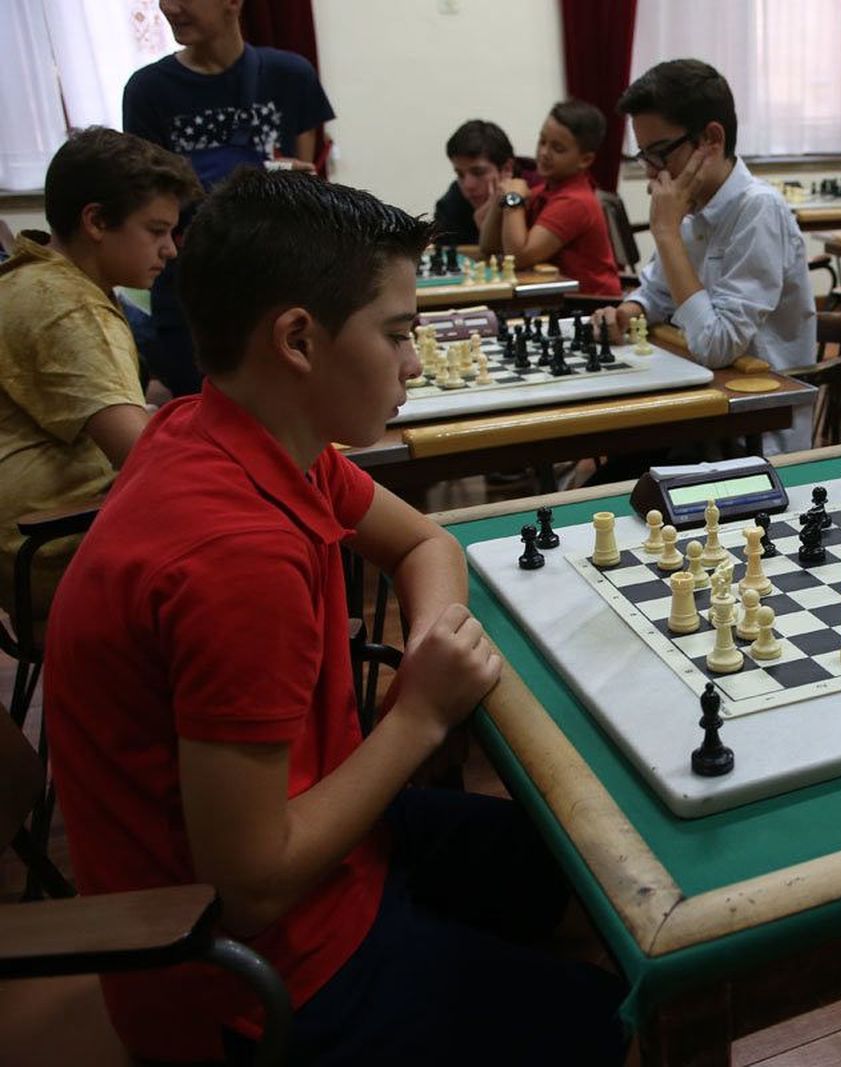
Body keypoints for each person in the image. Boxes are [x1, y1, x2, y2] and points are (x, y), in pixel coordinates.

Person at [43, 170, 627, 1064]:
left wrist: (428, 643)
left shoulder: (235, 428)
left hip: (334, 844)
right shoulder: (234, 556)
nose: (416, 361)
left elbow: (426, 545)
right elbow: (251, 886)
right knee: (612, 1019)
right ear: (299, 340)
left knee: (580, 866)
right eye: (397, 334)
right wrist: (423, 713)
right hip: (247, 980)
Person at [0, 128, 200, 624]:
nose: (170, 250)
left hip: (38, 537)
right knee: (273, 537)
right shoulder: (67, 308)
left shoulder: (33, 276)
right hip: (58, 545)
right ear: (95, 221)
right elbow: (142, 456)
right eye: (155, 231)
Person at [591, 58, 816, 454]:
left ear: (711, 139)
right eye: (643, 157)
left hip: (753, 434)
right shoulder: (691, 208)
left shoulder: (758, 210)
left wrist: (665, 234)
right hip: (697, 415)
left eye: (659, 153)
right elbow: (658, 294)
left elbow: (718, 346)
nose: (651, 174)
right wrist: (630, 311)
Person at [123, 0, 335, 397]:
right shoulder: (148, 90)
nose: (170, 8)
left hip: (280, 284)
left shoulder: (289, 75)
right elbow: (149, 200)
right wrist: (254, 177)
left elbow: (306, 186)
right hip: (192, 293)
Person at [479, 100, 622, 296]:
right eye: (542, 141)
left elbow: (518, 257)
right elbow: (488, 246)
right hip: (558, 300)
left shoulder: (575, 201)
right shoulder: (541, 191)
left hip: (592, 307)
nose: (544, 153)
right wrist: (501, 197)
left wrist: (513, 199)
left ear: (585, 160)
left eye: (558, 148)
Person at [431, 119, 540, 246]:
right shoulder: (450, 205)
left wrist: (491, 231)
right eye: (460, 174)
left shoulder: (538, 192)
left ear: (507, 168)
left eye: (478, 172)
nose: (468, 185)